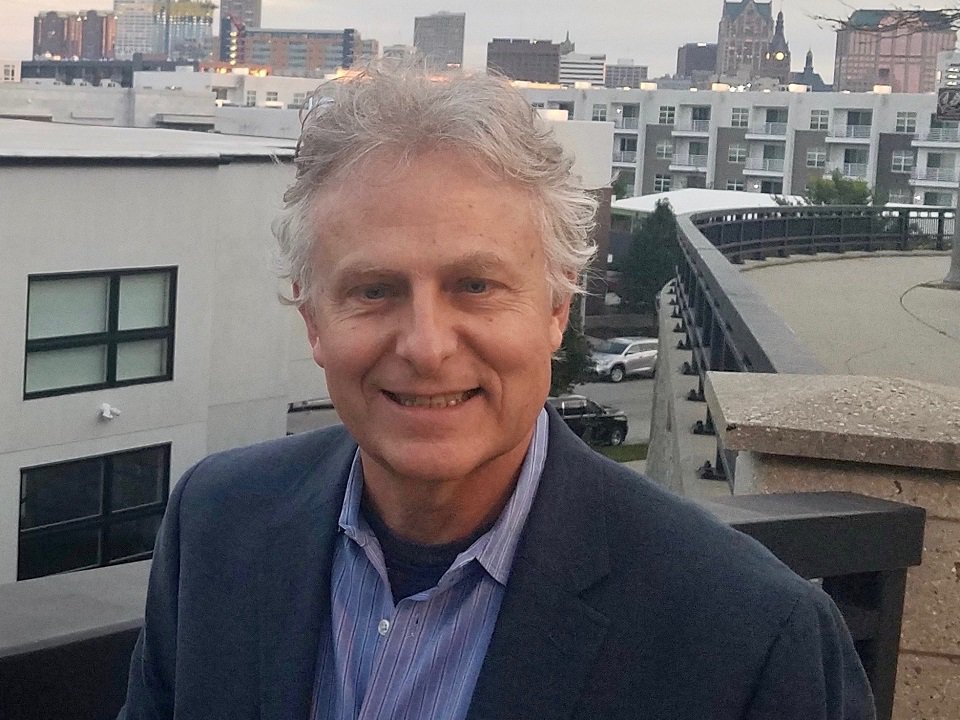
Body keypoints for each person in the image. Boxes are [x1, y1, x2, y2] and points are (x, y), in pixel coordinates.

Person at [118, 65, 875, 720]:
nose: (425, 345)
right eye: (374, 290)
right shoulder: (216, 526)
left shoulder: (748, 637)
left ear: (555, 310)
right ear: (313, 320)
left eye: (474, 286)